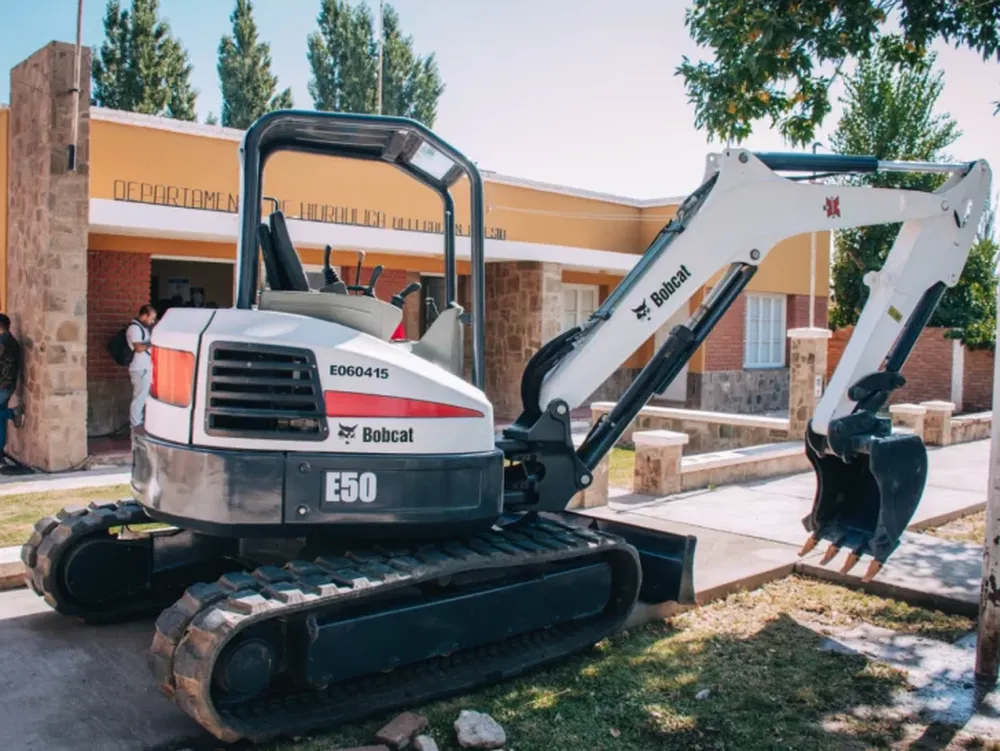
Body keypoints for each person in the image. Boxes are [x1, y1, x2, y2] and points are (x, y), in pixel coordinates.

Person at [126, 305, 157, 429]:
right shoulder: (134, 328)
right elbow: (138, 348)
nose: (152, 321)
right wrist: (152, 343)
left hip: (144, 367)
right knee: (139, 397)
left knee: (143, 397)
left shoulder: (142, 328)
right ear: (144, 315)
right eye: (151, 318)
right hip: (139, 368)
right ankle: (135, 424)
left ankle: (139, 422)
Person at [0, 314, 24, 460]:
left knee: (2, 414)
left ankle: (13, 413)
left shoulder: (3, 341)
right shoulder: (11, 340)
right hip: (8, 384)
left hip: (3, 385)